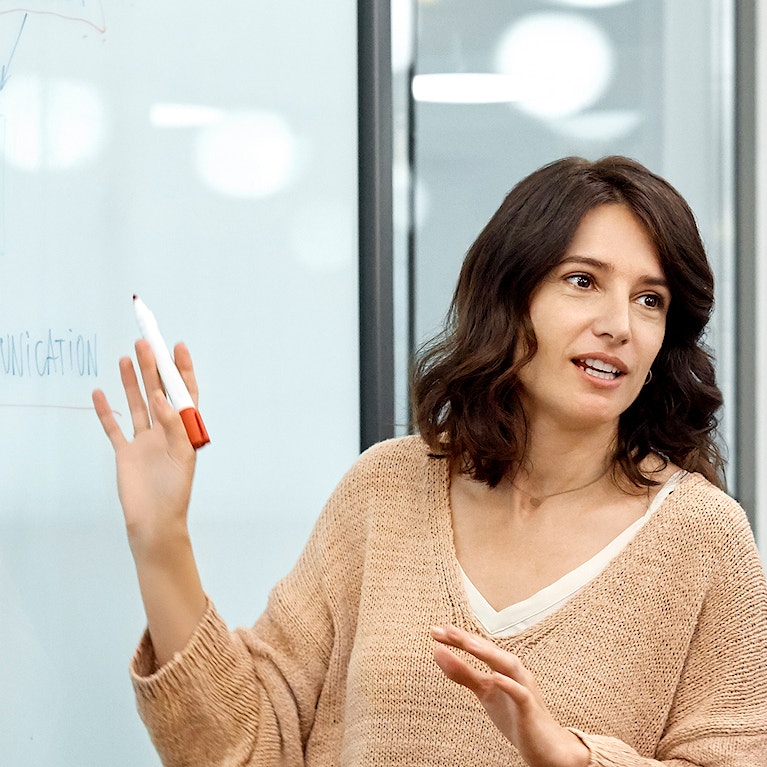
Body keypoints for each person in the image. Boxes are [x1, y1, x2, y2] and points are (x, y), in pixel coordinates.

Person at [93, 156, 767, 767]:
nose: (618, 322)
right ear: (511, 299)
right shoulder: (383, 490)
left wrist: (571, 758)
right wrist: (160, 539)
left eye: (649, 299)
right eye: (582, 280)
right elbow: (250, 742)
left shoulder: (705, 539)